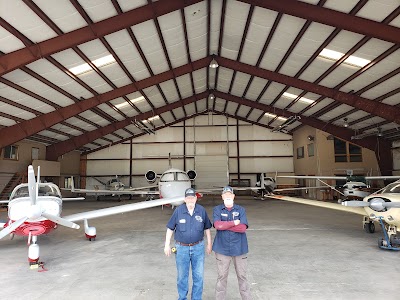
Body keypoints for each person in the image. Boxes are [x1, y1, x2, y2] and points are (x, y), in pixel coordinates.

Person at [164, 187, 212, 300]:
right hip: (181, 249)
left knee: (198, 276)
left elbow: (207, 228)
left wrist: (209, 244)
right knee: (182, 277)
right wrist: (167, 245)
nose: (190, 200)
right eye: (188, 198)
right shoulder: (178, 211)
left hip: (198, 248)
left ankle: (196, 298)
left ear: (196, 198)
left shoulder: (201, 210)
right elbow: (170, 228)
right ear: (185, 199)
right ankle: (182, 298)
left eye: (192, 197)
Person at [212, 186, 251, 300]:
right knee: (222, 277)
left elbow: (242, 228)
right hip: (222, 249)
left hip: (240, 249)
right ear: (222, 197)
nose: (228, 196)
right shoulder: (217, 209)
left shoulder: (241, 210)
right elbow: (217, 225)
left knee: (242, 276)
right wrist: (234, 222)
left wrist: (225, 226)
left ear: (233, 196)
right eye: (225, 194)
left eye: (230, 194)